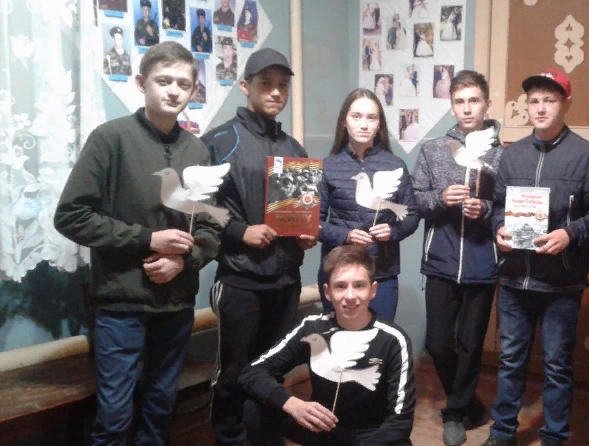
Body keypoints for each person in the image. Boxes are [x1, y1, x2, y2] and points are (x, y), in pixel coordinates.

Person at [54, 41, 221, 445]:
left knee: (160, 408)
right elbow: (71, 216)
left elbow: (209, 226)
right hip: (121, 303)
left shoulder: (198, 150)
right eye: (164, 81)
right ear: (141, 83)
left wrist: (185, 260)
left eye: (184, 84)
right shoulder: (110, 138)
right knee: (114, 416)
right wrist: (147, 239)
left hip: (176, 303)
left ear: (194, 90)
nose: (174, 91)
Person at [484, 68, 589, 446]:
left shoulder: (587, 156)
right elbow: (497, 208)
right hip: (514, 279)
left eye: (549, 100)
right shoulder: (512, 156)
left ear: (566, 103)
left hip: (561, 283)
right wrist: (499, 231)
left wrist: (571, 234)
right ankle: (503, 432)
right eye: (533, 100)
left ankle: (554, 435)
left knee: (557, 365)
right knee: (510, 361)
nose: (540, 108)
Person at [202, 48, 317, 446]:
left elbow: (300, 213)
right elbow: (197, 208)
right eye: (266, 84)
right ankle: (231, 439)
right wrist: (239, 231)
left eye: (282, 85)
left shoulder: (294, 148)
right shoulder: (219, 141)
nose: (275, 92)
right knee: (234, 372)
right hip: (240, 279)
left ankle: (265, 437)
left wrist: (306, 235)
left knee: (270, 371)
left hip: (285, 279)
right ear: (245, 86)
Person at [238, 245, 415, 446]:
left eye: (359, 285)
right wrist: (292, 403)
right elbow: (252, 372)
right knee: (253, 406)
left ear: (372, 290)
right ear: (327, 292)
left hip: (370, 435)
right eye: (340, 286)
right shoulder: (312, 328)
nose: (350, 296)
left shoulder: (393, 339)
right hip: (321, 427)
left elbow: (400, 422)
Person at [412, 70, 502, 446]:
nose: (467, 108)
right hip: (441, 259)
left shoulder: (503, 154)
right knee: (437, 342)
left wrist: (486, 209)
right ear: (451, 106)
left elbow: (510, 207)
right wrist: (440, 199)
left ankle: (454, 413)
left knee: (470, 343)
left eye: (474, 101)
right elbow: (416, 199)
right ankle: (469, 403)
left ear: (486, 104)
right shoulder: (433, 149)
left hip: (483, 261)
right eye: (460, 101)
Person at [318, 89, 419, 322]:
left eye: (371, 118)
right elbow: (313, 222)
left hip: (381, 274)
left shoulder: (395, 165)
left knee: (379, 339)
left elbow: (412, 215)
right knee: (338, 339)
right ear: (344, 122)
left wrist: (393, 231)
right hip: (338, 274)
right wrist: (345, 235)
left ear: (379, 124)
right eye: (356, 116)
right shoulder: (328, 166)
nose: (364, 124)